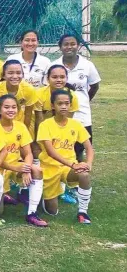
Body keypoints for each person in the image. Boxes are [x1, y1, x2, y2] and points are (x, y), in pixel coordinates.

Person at [0, 95, 48, 227]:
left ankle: (32, 213)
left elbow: (28, 153)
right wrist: (16, 168)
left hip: (16, 165)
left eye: (14, 107)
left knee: (36, 170)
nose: (11, 110)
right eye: (6, 107)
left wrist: (26, 168)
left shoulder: (20, 127)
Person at [36, 89, 94, 224]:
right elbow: (50, 152)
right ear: (52, 106)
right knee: (52, 212)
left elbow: (89, 148)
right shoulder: (46, 125)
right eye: (59, 103)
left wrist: (88, 164)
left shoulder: (75, 124)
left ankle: (83, 212)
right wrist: (73, 165)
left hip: (68, 168)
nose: (63, 106)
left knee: (84, 174)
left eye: (66, 103)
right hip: (49, 169)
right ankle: (43, 197)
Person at [51, 34, 101, 161]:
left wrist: (83, 101)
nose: (69, 47)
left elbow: (94, 86)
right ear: (60, 47)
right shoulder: (54, 65)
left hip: (82, 114)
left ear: (78, 46)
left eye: (73, 44)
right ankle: (60, 177)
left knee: (80, 148)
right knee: (60, 146)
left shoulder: (87, 65)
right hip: (60, 114)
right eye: (65, 44)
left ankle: (78, 175)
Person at [0, 60, 37, 131]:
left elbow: (28, 115)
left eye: (18, 73)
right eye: (10, 73)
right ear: (4, 75)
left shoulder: (29, 89)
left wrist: (24, 132)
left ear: (23, 75)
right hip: (1, 125)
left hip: (20, 125)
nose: (15, 76)